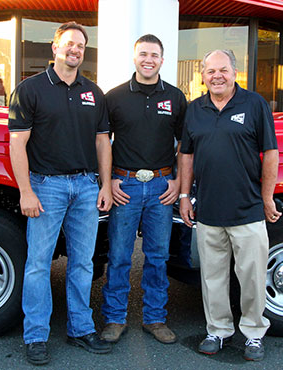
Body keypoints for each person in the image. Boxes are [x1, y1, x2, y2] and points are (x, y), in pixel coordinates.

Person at [8, 22, 113, 366]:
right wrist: (26, 191)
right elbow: (17, 143)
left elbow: (102, 142)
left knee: (83, 263)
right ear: (55, 48)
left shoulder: (93, 92)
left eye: (80, 46)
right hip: (45, 187)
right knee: (38, 265)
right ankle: (35, 336)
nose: (75, 50)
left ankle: (81, 329)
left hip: (85, 188)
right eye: (69, 44)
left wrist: (105, 185)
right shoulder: (30, 89)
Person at [179, 49, 280, 362]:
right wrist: (184, 196)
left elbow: (271, 153)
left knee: (251, 277)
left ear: (234, 72)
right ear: (203, 75)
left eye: (222, 70)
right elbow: (187, 155)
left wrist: (266, 197)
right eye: (210, 71)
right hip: (208, 210)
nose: (216, 76)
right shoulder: (195, 109)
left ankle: (253, 333)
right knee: (212, 278)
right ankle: (218, 330)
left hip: (247, 210)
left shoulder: (254, 104)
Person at [100, 34, 187, 344]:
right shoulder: (114, 97)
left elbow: (185, 146)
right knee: (120, 255)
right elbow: (102, 143)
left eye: (154, 54)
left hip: (162, 187)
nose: (148, 59)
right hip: (125, 186)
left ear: (162, 60)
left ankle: (155, 318)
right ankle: (113, 318)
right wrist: (108, 180)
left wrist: (177, 180)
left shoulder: (176, 98)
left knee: (157, 256)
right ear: (134, 58)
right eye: (143, 54)